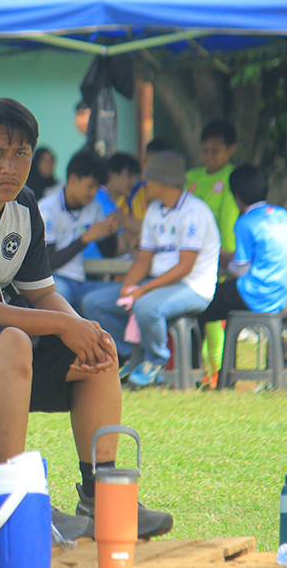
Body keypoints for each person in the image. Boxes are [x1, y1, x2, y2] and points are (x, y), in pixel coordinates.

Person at [0, 94, 172, 541]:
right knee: (15, 339)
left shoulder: (25, 205)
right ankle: (15, 501)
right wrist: (66, 325)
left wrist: (80, 330)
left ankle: (102, 492)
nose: (10, 167)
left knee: (98, 345)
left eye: (21, 154)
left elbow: (42, 293)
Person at [82, 150, 221, 388]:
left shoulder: (194, 212)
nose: (144, 183)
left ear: (163, 182)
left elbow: (185, 267)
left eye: (149, 178)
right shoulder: (155, 211)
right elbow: (144, 259)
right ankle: (128, 354)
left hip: (193, 286)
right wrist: (128, 286)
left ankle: (155, 360)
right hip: (158, 283)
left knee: (146, 307)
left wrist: (141, 292)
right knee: (93, 303)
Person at [195, 165, 287, 381]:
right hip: (280, 291)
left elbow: (240, 268)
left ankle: (195, 372)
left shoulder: (245, 222)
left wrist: (222, 259)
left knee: (197, 303)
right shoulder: (281, 214)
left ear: (236, 197)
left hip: (253, 291)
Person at [186, 120, 240, 387]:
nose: (209, 156)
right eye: (205, 150)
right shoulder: (192, 178)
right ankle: (194, 369)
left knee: (212, 319)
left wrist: (227, 255)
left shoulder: (231, 178)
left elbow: (228, 219)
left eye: (216, 150)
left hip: (218, 258)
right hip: (189, 256)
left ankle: (216, 372)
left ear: (231, 150)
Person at [38, 150, 119, 308]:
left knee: (125, 293)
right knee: (59, 296)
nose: (93, 193)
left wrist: (110, 233)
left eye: (97, 188)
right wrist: (84, 239)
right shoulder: (47, 208)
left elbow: (109, 252)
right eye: (90, 186)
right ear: (73, 179)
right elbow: (47, 262)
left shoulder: (94, 207)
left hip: (81, 283)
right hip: (54, 280)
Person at [99, 152, 142, 255]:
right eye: (129, 176)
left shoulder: (115, 204)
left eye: (135, 178)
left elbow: (122, 247)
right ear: (112, 174)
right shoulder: (99, 196)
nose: (133, 182)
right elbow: (122, 220)